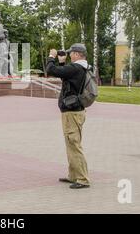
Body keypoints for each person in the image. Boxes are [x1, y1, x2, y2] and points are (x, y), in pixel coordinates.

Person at [46, 43, 90, 189]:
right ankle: (73, 175)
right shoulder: (81, 68)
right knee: (71, 144)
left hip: (72, 112)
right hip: (75, 111)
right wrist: (62, 62)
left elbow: (51, 70)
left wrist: (51, 57)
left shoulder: (76, 68)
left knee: (74, 145)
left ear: (77, 54)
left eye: (71, 53)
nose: (70, 55)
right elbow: (65, 78)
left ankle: (82, 179)